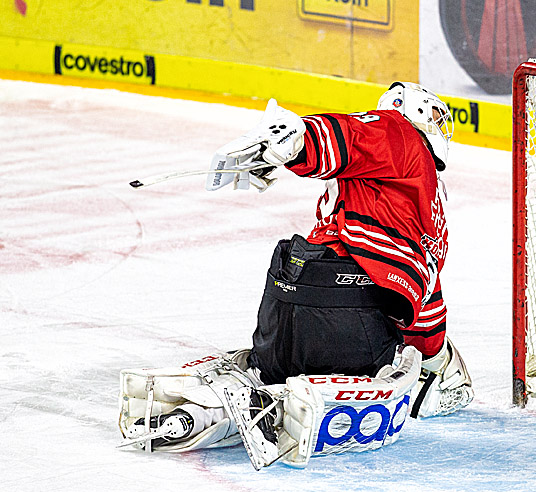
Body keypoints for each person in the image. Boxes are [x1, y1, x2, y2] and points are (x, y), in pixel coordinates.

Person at [120, 82, 473, 467]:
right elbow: (351, 136)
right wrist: (298, 140)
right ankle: (310, 402)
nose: (440, 125)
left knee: (270, 370)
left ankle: (208, 407)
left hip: (287, 299)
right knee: (387, 364)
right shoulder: (402, 137)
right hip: (350, 316)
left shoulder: (389, 177)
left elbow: (348, 146)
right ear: (415, 113)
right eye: (437, 115)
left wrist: (296, 148)